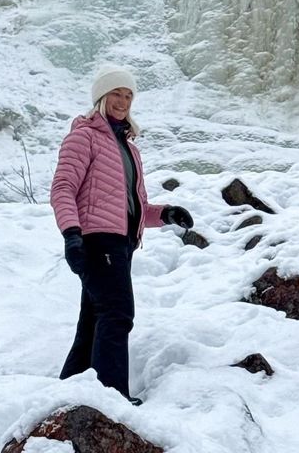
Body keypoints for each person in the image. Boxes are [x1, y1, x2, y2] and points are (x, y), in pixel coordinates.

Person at [51, 64, 193, 403]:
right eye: (116, 93)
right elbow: (63, 188)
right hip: (97, 241)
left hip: (121, 244)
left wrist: (165, 214)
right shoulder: (84, 136)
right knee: (117, 314)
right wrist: (72, 234)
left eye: (128, 95)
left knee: (94, 319)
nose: (123, 101)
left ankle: (71, 390)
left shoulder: (128, 148)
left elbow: (131, 206)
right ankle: (111, 397)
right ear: (102, 97)